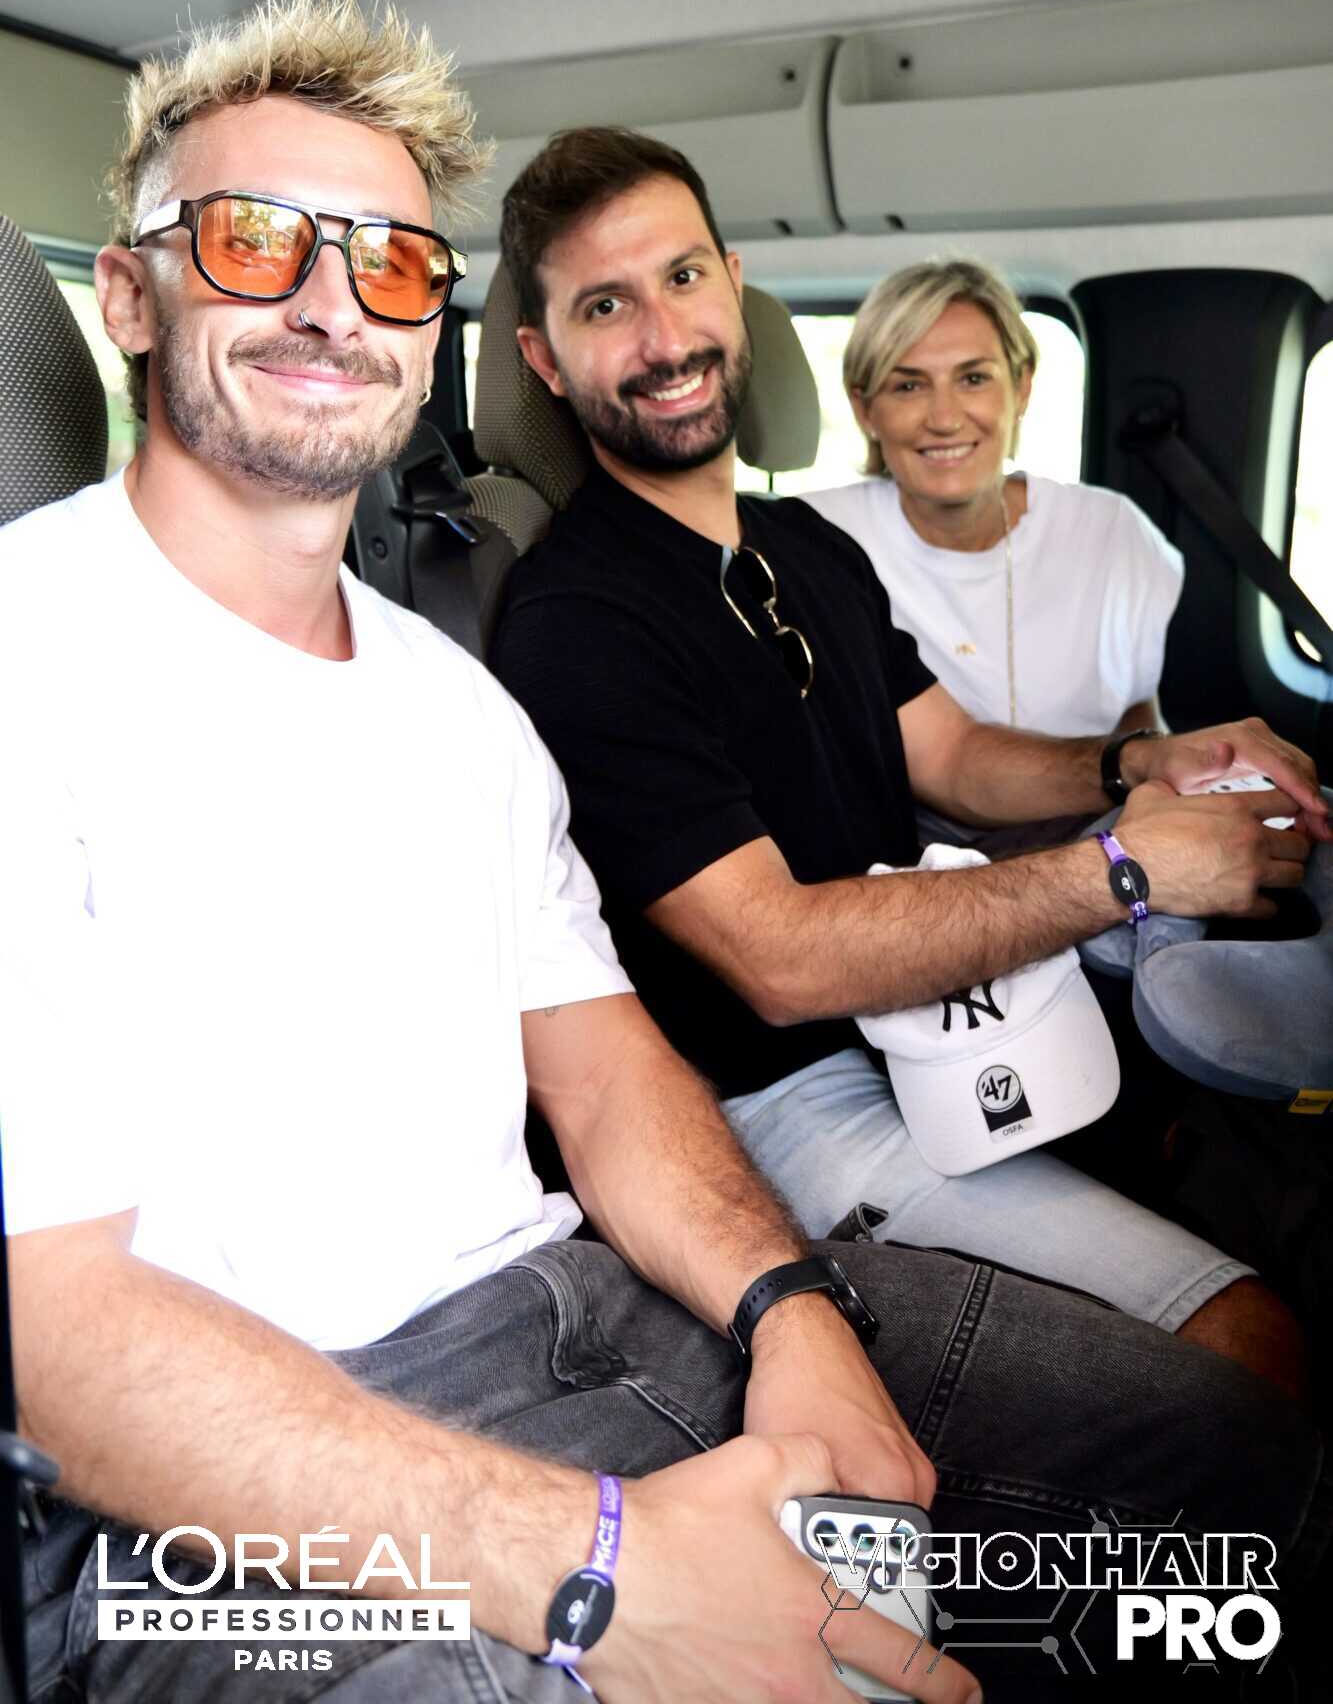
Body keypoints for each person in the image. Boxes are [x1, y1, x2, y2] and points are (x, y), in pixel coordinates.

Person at [10, 0, 1325, 1704]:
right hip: (216, 1508)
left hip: (580, 1309)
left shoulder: (456, 703)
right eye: (256, 241)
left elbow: (607, 1075)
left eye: (391, 262)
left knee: (1229, 1492)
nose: (332, 302)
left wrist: (789, 1309)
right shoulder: (35, 659)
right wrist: (598, 1571)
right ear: (129, 292)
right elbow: (58, 1342)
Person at [488, 125, 1331, 1405]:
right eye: (605, 306)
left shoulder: (799, 545)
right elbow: (779, 959)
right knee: (1247, 1342)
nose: (663, 337)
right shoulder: (578, 620)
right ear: (546, 359)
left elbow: (953, 755)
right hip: (785, 1097)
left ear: (732, 287)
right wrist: (1124, 869)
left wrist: (1146, 757)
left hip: (938, 1018)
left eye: (682, 277)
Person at [802, 259, 1182, 855]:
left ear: (1021, 386)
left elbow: (1140, 713)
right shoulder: (814, 539)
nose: (945, 418)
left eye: (974, 378)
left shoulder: (1111, 532)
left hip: (1099, 849)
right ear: (864, 409)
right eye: (908, 386)